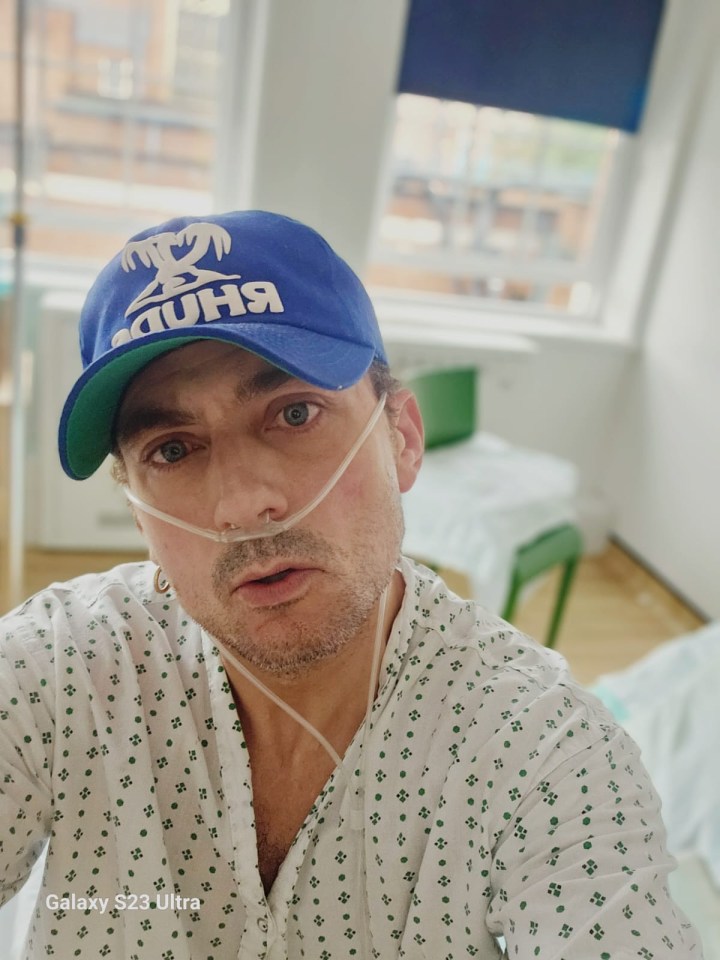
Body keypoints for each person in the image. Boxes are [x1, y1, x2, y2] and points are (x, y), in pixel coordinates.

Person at [0, 210, 702, 960]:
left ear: (400, 437)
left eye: (294, 413)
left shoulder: (538, 751)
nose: (241, 506)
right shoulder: (59, 672)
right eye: (172, 450)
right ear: (139, 515)